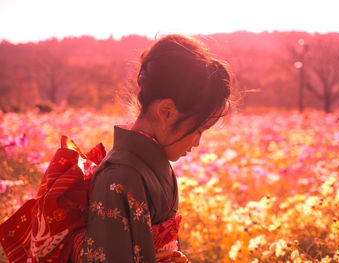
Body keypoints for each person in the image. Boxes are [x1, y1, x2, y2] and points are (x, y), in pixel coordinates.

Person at [78, 34, 234, 263]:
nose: (198, 142)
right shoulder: (118, 177)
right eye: (198, 130)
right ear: (167, 112)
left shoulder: (147, 165)